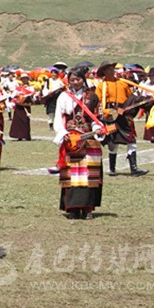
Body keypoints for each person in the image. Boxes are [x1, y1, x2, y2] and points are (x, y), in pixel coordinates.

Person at [53, 66, 105, 220]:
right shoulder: (63, 96)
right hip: (71, 140)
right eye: (72, 80)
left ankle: (88, 208)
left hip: (89, 140)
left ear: (84, 79)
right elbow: (58, 117)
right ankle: (73, 208)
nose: (75, 82)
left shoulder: (92, 97)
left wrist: (97, 129)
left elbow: (96, 119)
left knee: (89, 175)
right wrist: (63, 133)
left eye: (78, 79)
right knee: (72, 175)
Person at [96, 61, 147, 176]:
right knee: (113, 142)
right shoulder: (101, 86)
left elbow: (131, 98)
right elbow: (98, 104)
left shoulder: (123, 83)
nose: (112, 71)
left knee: (131, 139)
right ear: (104, 72)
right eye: (109, 69)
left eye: (112, 68)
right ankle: (112, 169)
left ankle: (134, 168)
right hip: (110, 117)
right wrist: (110, 112)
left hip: (124, 115)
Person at [8, 72, 33, 141]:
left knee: (26, 120)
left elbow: (32, 95)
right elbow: (13, 95)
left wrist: (26, 97)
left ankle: (26, 135)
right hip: (19, 106)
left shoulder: (31, 88)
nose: (24, 80)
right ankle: (19, 135)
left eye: (25, 79)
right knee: (18, 121)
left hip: (26, 105)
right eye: (23, 79)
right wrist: (17, 96)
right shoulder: (18, 88)